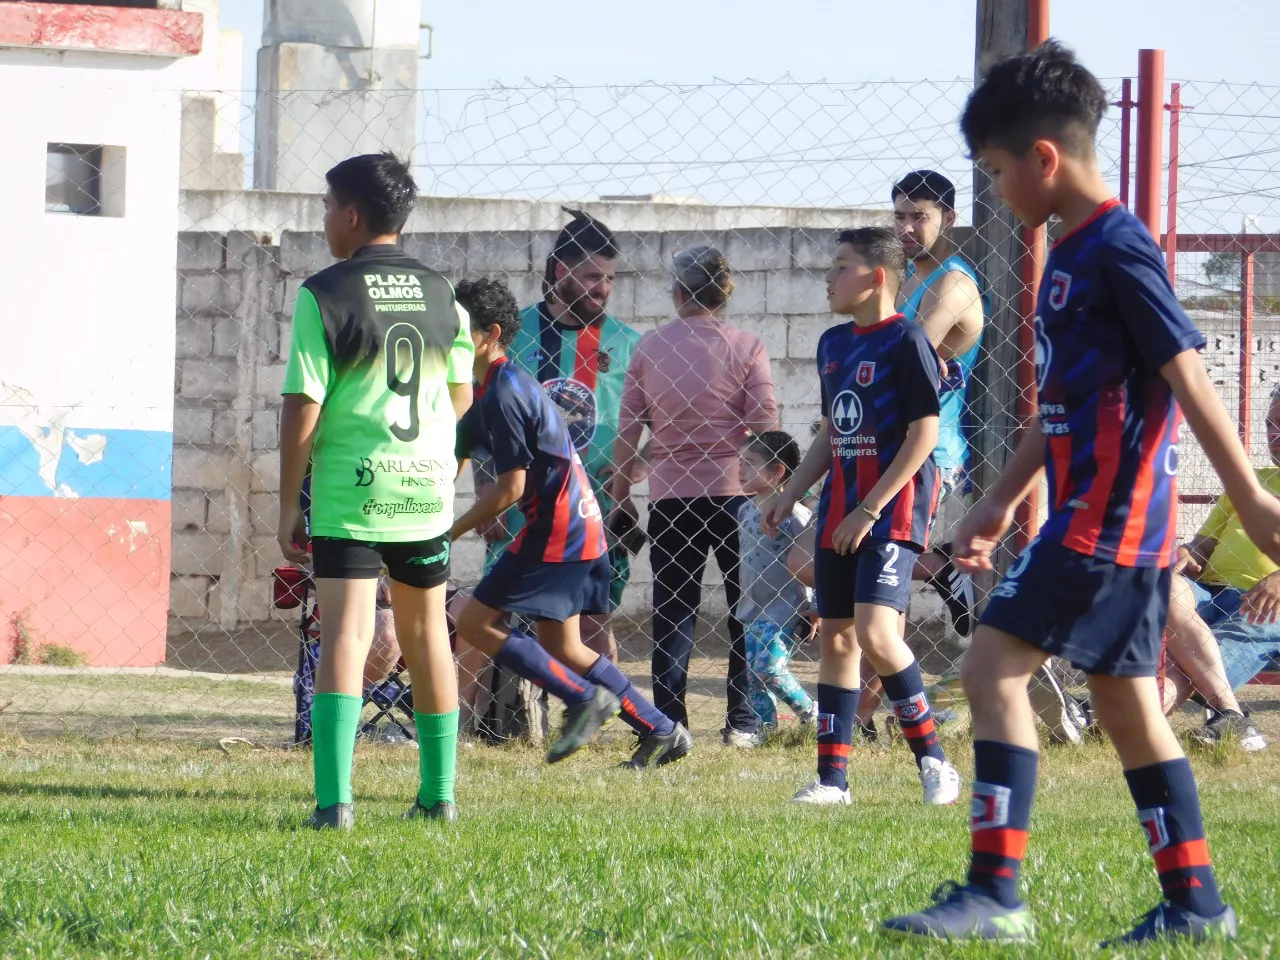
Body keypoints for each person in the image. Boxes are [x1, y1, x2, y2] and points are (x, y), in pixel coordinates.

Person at [881, 41, 1280, 945]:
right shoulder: (1069, 253)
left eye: (994, 172)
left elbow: (1184, 369)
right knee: (1130, 709)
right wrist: (998, 498)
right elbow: (1062, 401)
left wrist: (1250, 495)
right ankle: (1196, 905)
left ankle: (995, 892)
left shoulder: (1116, 247)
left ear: (1043, 159)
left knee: (990, 667)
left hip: (1106, 525)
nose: (996, 193)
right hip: (1096, 522)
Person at [277, 152, 473, 830]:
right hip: (423, 490)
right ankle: (439, 797)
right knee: (428, 638)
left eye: (328, 206)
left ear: (352, 214)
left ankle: (335, 805)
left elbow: (303, 402)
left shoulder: (323, 294)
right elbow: (460, 396)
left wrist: (286, 499)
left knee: (346, 636)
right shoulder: (445, 295)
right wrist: (438, 468)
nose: (326, 219)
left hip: (351, 490)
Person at [451, 278, 693, 769]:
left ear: (488, 334)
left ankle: (583, 700)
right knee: (562, 644)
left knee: (476, 621)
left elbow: (511, 490)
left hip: (557, 529)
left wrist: (446, 532)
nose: (442, 339)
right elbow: (457, 450)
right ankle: (663, 730)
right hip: (581, 526)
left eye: (454, 329)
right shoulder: (493, 384)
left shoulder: (503, 392)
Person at [765, 226, 962, 808]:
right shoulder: (833, 345)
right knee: (839, 640)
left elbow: (924, 432)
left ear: (876, 277)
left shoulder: (907, 340)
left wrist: (870, 507)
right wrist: (791, 490)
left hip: (891, 508)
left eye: (840, 265)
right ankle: (833, 781)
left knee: (878, 633)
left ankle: (935, 762)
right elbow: (832, 432)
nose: (829, 276)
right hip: (838, 511)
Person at [611, 244, 779, 748]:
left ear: (678, 291)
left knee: (673, 610)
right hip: (735, 495)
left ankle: (670, 720)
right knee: (743, 608)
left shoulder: (649, 348)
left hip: (670, 498)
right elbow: (764, 425)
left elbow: (628, 430)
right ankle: (743, 722)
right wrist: (773, 490)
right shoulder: (747, 347)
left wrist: (621, 495)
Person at [499, 210, 641, 660]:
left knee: (594, 624)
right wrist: (488, 488)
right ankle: (493, 721)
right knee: (499, 617)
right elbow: (488, 419)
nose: (604, 288)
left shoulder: (629, 343)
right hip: (524, 503)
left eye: (610, 278)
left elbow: (674, 419)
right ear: (561, 271)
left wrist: (632, 469)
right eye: (592, 276)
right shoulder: (516, 334)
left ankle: (594, 718)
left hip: (595, 507)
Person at [892, 170, 984, 636]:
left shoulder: (954, 284)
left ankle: (950, 566)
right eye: (899, 216)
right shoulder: (905, 279)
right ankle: (947, 567)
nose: (906, 228)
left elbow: (905, 361)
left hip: (932, 452)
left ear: (947, 218)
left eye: (919, 217)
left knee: (883, 571)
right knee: (877, 574)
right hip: (889, 441)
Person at [736, 430, 818, 730]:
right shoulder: (745, 510)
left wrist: (815, 605)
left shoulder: (795, 515)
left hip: (785, 606)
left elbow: (814, 561)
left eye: (750, 461)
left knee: (769, 668)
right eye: (739, 460)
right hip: (752, 607)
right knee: (754, 676)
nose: (740, 468)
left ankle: (812, 713)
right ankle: (764, 730)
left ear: (777, 471)